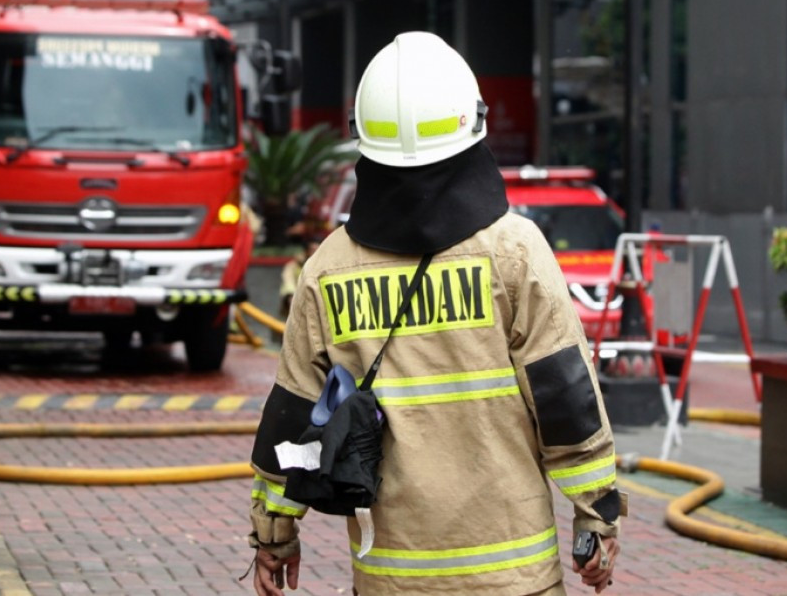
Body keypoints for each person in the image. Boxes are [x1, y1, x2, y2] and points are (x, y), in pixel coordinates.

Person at [247, 31, 624, 595]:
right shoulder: (514, 251)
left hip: (392, 579)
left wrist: (274, 535)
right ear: (474, 129)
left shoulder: (328, 267)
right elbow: (565, 399)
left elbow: (291, 417)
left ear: (363, 142)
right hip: (513, 578)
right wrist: (597, 516)